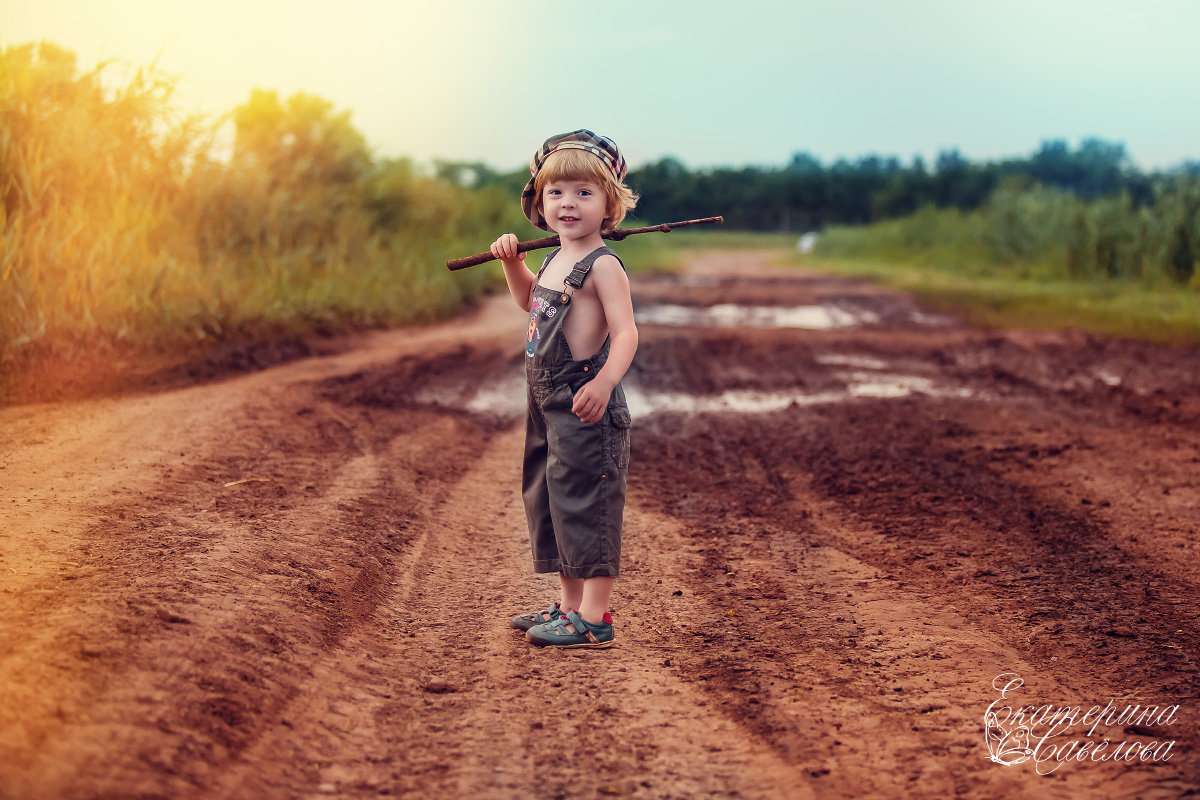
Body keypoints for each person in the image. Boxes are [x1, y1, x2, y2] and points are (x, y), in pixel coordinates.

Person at [489, 130, 639, 649]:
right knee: (554, 498)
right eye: (556, 192)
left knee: (588, 499)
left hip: (583, 401)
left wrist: (603, 381)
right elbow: (530, 301)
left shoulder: (602, 266)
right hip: (544, 399)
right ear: (540, 202)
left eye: (583, 192)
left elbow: (626, 333)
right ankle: (569, 604)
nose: (568, 204)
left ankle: (596, 617)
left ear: (609, 204)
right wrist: (513, 264)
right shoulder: (556, 257)